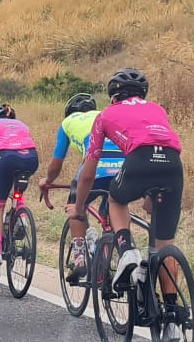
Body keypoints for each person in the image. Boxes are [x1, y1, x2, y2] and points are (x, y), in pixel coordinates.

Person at [73, 68, 183, 316]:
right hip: (173, 165)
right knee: (165, 244)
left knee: (115, 198)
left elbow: (88, 174)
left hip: (139, 159)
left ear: (113, 96)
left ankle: (127, 252)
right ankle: (172, 315)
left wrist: (80, 208)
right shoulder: (157, 109)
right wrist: (150, 195)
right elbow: (162, 144)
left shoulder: (105, 116)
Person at [38, 90, 123, 286]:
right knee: (110, 213)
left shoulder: (67, 123)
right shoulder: (105, 114)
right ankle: (110, 252)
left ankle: (80, 260)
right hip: (124, 167)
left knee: (76, 205)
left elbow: (56, 164)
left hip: (98, 166)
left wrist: (47, 180)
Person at [0, 104, 40, 280]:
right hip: (31, 158)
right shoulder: (22, 125)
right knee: (16, 188)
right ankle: (21, 216)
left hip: (7, 158)